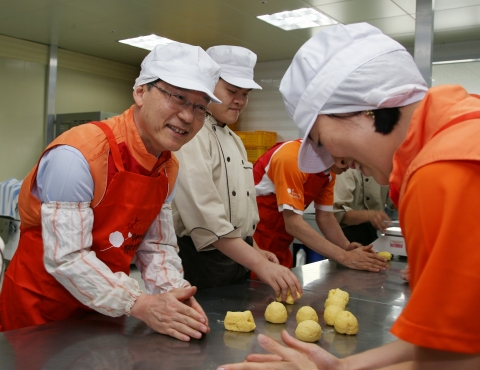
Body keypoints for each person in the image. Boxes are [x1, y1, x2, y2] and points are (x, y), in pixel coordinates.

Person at [218, 22, 480, 369]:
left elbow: (452, 363)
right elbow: (457, 340)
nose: (334, 161)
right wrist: (342, 366)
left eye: (322, 141)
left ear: (364, 108)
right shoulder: (461, 131)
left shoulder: (442, 171)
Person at [0, 42, 221, 341]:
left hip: (107, 310)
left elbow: (156, 245)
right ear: (141, 92)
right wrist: (138, 302)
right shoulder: (79, 154)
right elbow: (67, 258)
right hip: (43, 309)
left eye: (200, 107)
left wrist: (174, 297)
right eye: (178, 97)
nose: (188, 116)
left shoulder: (168, 168)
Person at [172, 45, 301, 300]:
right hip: (200, 259)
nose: (240, 100)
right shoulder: (190, 136)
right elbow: (206, 216)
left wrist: (256, 250)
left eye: (245, 93)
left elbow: (242, 211)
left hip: (236, 257)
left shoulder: (236, 140)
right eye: (232, 91)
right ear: (207, 84)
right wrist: (259, 264)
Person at [252, 139, 388, 272]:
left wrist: (346, 246)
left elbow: (326, 217)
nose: (351, 168)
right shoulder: (290, 159)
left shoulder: (328, 173)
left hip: (280, 247)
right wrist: (344, 257)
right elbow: (293, 224)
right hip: (254, 246)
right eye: (351, 163)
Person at [333, 168, 393, 245]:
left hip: (375, 234)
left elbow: (395, 199)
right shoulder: (345, 169)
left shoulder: (382, 167)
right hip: (345, 235)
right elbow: (336, 213)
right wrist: (370, 215)